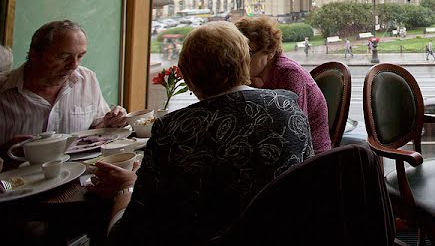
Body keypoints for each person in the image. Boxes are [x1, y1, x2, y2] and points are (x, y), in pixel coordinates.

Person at [89, 21, 314, 245]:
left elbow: (133, 233)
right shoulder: (287, 105)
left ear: (187, 77)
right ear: (245, 62)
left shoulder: (173, 129)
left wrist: (126, 186)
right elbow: (307, 182)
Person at [0, 20, 127, 147]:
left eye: (80, 56)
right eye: (64, 57)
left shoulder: (87, 79)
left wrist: (113, 121)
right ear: (35, 55)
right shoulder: (4, 89)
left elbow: (98, 125)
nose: (74, 65)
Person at [235, 16, 331, 154]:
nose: (241, 61)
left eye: (249, 53)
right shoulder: (252, 75)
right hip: (274, 149)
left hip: (310, 157)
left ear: (270, 52)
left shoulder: (289, 73)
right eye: (238, 54)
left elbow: (295, 132)